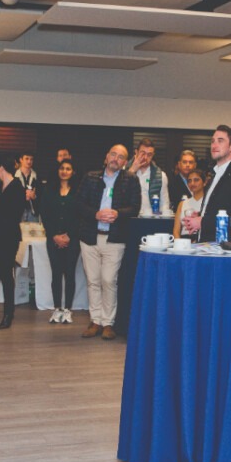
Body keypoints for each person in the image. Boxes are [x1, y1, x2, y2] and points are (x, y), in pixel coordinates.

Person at [74, 144, 140, 340]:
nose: (115, 159)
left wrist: (118, 213)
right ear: (106, 156)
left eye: (121, 157)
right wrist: (95, 214)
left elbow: (135, 208)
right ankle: (95, 321)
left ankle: (108, 323)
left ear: (125, 163)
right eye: (113, 154)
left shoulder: (131, 180)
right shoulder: (90, 177)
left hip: (115, 238)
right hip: (90, 236)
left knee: (109, 280)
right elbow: (77, 203)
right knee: (93, 281)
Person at [181, 126, 231, 242]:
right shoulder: (214, 175)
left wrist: (203, 222)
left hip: (227, 251)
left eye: (220, 141)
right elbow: (220, 208)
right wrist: (201, 215)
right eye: (212, 141)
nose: (214, 145)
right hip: (208, 247)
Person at [0, 153, 26, 330]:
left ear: (1, 167)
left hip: (8, 240)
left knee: (6, 277)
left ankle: (8, 314)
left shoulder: (17, 188)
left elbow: (13, 217)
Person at [40, 158, 80, 324]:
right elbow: (45, 214)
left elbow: (80, 217)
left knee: (70, 274)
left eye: (68, 168)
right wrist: (54, 235)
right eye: (62, 168)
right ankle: (57, 309)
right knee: (56, 274)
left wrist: (69, 235)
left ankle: (68, 310)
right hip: (53, 239)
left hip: (72, 240)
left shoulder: (78, 192)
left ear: (73, 172)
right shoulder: (49, 190)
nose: (64, 171)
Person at [127, 138, 172, 216]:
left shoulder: (161, 175)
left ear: (153, 155)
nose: (145, 157)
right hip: (128, 218)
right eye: (142, 153)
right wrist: (132, 170)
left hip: (150, 218)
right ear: (136, 152)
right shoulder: (124, 172)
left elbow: (164, 203)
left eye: (149, 154)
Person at [173, 169, 206, 239]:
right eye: (189, 181)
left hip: (202, 241)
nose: (192, 183)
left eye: (196, 180)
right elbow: (176, 231)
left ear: (204, 182)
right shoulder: (182, 204)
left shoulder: (209, 202)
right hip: (184, 241)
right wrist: (179, 244)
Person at [15, 152, 39, 222]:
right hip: (18, 211)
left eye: (31, 159)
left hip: (33, 211)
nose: (29, 161)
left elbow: (42, 196)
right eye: (27, 159)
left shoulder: (37, 177)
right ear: (21, 160)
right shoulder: (13, 176)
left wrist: (34, 196)